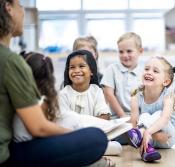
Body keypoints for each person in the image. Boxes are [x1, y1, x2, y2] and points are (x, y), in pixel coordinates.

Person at [0, 0, 109, 166]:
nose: (23, 12)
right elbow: (39, 128)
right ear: (9, 9)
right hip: (7, 153)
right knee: (96, 138)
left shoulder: (96, 90)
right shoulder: (10, 61)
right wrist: (74, 135)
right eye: (20, 6)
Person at [60, 49, 122, 155]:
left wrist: (87, 127)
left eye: (81, 66)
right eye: (72, 67)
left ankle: (84, 150)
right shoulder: (64, 93)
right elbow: (64, 122)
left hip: (92, 135)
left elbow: (104, 116)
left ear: (92, 71)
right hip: (71, 136)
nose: (76, 70)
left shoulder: (96, 90)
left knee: (117, 147)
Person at [127, 56, 175, 162]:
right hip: (150, 139)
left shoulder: (168, 96)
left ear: (165, 81)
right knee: (143, 116)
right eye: (147, 69)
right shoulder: (136, 97)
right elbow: (134, 123)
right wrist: (145, 138)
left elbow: (165, 119)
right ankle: (148, 151)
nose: (149, 72)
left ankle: (143, 133)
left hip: (167, 136)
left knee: (159, 113)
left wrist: (147, 132)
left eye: (155, 71)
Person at [101, 32, 143, 118]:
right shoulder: (112, 69)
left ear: (140, 51)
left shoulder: (144, 72)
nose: (124, 55)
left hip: (139, 116)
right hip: (118, 116)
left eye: (129, 51)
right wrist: (122, 116)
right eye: (121, 52)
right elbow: (108, 94)